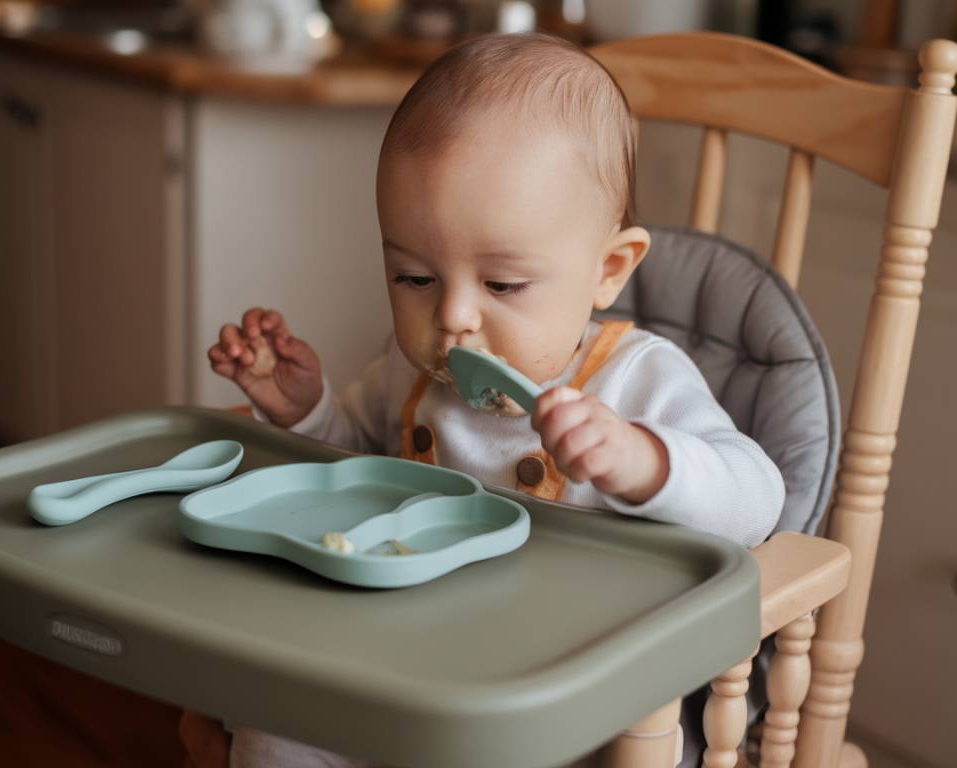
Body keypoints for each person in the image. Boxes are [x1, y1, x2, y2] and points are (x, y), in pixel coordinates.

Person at [201, 32, 785, 768]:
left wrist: (646, 461)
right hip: (410, 657)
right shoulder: (414, 375)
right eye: (414, 278)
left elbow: (759, 497)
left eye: (502, 285)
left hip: (575, 699)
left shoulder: (636, 379)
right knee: (272, 728)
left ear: (608, 270)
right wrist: (305, 412)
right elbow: (359, 469)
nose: (452, 318)